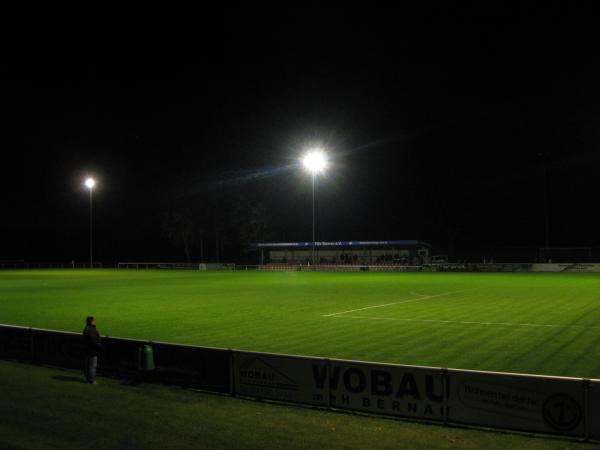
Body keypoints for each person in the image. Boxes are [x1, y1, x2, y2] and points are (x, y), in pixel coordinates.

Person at [83, 316, 102, 384]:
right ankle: (92, 380)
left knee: (87, 365)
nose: (95, 322)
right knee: (92, 366)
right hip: (92, 350)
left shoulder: (86, 329)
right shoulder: (92, 330)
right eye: (94, 321)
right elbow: (93, 341)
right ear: (91, 322)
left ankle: (87, 379)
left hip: (87, 350)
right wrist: (100, 346)